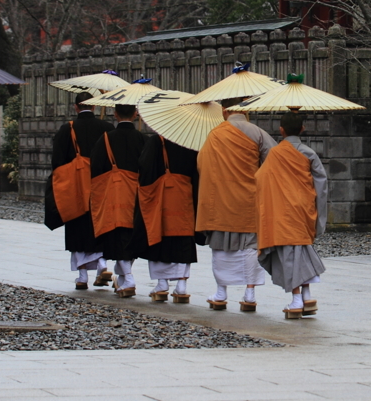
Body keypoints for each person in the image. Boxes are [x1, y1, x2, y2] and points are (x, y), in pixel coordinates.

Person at [195, 97, 276, 311]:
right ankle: (250, 294)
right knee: (250, 247)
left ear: (224, 111)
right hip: (249, 199)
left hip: (221, 200)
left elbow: (202, 165)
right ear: (245, 109)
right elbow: (273, 162)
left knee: (221, 247)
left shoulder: (214, 135)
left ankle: (221, 293)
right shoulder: (258, 133)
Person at [256, 112, 328, 319]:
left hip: (283, 210)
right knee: (302, 251)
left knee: (290, 254)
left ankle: (296, 301)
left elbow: (261, 180)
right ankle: (306, 296)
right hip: (304, 209)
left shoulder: (275, 154)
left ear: (281, 130)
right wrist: (319, 218)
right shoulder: (309, 153)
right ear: (303, 129)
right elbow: (321, 187)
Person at [49, 92, 114, 290]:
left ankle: (82, 276)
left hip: (75, 187)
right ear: (94, 107)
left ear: (76, 107)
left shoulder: (66, 130)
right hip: (100, 186)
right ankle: (102, 262)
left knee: (77, 226)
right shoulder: (107, 128)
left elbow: (57, 163)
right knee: (99, 223)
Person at [131, 134, 199, 303]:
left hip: (162, 196)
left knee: (159, 235)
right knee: (183, 237)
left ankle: (162, 285)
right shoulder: (191, 139)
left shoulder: (157, 140)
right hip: (185, 194)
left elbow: (145, 166)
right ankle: (181, 286)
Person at [90, 104, 146, 298]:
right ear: (135, 114)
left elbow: (95, 167)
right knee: (132, 233)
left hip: (114, 193)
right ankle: (123, 276)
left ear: (115, 114)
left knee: (117, 234)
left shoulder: (106, 138)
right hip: (137, 193)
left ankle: (128, 278)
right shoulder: (142, 139)